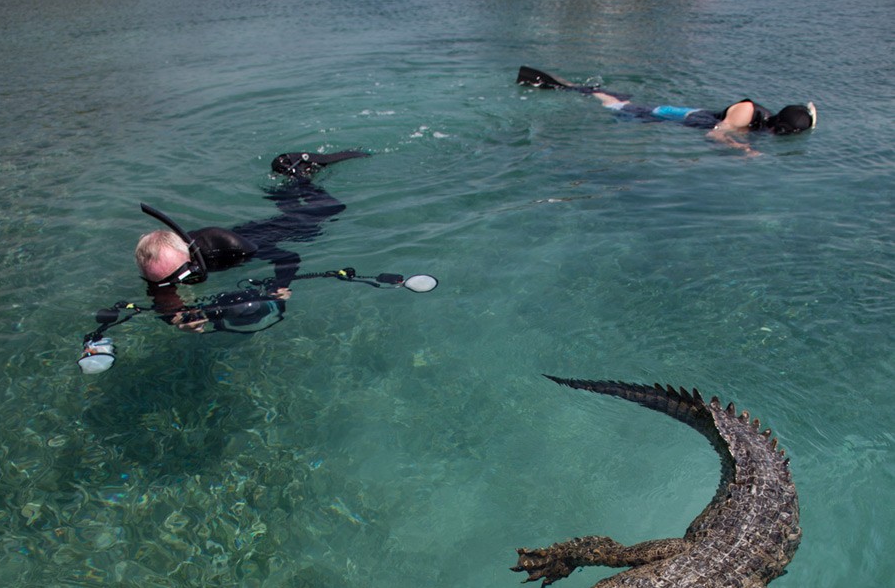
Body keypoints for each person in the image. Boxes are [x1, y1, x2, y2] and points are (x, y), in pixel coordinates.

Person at [79, 150, 437, 372]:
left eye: (182, 277)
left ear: (191, 256)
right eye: (165, 281)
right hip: (261, 231)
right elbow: (162, 294)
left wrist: (280, 285)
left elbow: (288, 255)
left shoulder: (227, 248)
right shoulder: (162, 265)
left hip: (287, 233)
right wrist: (175, 318)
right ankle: (288, 181)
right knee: (289, 206)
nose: (176, 285)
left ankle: (298, 168)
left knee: (328, 209)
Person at [517, 66, 816, 151]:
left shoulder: (765, 123)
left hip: (687, 118)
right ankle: (558, 85)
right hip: (676, 116)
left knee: (618, 101)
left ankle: (582, 88)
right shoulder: (748, 111)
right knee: (616, 105)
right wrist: (744, 150)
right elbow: (714, 135)